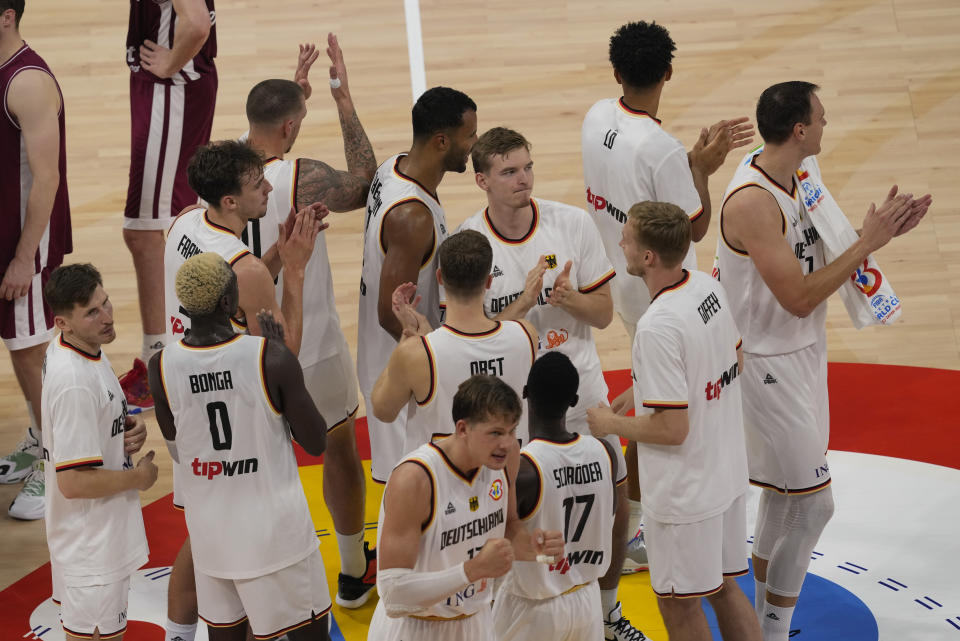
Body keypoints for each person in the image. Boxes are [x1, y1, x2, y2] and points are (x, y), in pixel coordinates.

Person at [715, 81, 930, 641]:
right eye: (821, 116)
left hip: (803, 352)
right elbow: (800, 295)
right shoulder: (753, 201)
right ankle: (773, 630)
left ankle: (760, 625)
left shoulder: (798, 178)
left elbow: (819, 260)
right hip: (765, 364)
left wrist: (874, 234)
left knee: (785, 499)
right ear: (799, 130)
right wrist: (866, 245)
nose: (828, 122)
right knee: (815, 507)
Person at [581, 20, 754, 562]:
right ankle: (644, 523)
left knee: (662, 390)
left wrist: (689, 164)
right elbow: (692, 228)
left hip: (624, 273)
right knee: (683, 403)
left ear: (616, 72)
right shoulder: (660, 149)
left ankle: (634, 517)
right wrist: (701, 169)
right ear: (669, 72)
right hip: (664, 289)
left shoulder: (594, 117)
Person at [458, 126, 640, 640]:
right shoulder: (469, 243)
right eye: (509, 171)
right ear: (482, 181)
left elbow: (603, 314)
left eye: (527, 166)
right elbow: (471, 333)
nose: (523, 179)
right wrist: (527, 299)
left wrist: (566, 300)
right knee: (504, 512)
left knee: (613, 499)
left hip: (580, 391)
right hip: (509, 406)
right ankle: (495, 612)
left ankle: (608, 612)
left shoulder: (572, 223)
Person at [161, 139, 321, 641]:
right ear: (230, 202)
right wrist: (293, 268)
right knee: (283, 606)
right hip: (248, 438)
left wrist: (273, 253)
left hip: (187, 402)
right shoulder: (246, 271)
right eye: (257, 186)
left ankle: (177, 633)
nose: (268, 189)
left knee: (206, 539)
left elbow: (238, 283)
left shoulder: (184, 223)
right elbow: (282, 352)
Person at [243, 35, 378, 608]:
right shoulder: (301, 177)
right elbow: (364, 177)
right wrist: (340, 96)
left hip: (240, 342)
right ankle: (352, 570)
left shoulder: (223, 171)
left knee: (256, 459)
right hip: (310, 339)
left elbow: (268, 135)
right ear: (293, 129)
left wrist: (293, 96)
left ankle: (253, 570)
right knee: (341, 449)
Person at [588, 201, 761, 641]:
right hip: (725, 474)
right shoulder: (706, 287)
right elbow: (733, 358)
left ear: (648, 257)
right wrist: (646, 391)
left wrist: (610, 423)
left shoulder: (656, 326)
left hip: (687, 493)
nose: (621, 242)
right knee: (722, 588)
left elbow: (671, 429)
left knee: (678, 604)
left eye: (627, 238)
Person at [368, 374, 564, 641]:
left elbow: (508, 528)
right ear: (462, 429)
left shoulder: (506, 460)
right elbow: (393, 594)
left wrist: (538, 551)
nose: (506, 443)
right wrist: (473, 570)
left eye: (512, 431)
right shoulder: (415, 479)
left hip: (475, 622)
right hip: (414, 626)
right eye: (495, 432)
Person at [357, 86, 477, 484]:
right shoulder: (412, 217)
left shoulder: (395, 165)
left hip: (393, 361)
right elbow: (391, 314)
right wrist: (439, 358)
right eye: (469, 136)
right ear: (442, 141)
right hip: (402, 373)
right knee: (409, 493)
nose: (474, 144)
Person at [42, 263, 156, 640]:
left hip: (96, 538)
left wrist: (125, 426)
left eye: (105, 303)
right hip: (91, 547)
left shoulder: (85, 345)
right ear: (63, 323)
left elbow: (92, 416)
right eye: (92, 312)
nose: (107, 317)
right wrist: (137, 478)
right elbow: (72, 481)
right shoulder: (74, 382)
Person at [119, 0, 218, 411]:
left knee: (147, 232)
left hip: (170, 92)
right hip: (165, 91)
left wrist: (169, 63)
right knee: (171, 225)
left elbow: (196, 24)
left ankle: (164, 363)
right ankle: (185, 351)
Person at [0, 0, 73, 520]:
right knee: (17, 347)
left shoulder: (26, 81)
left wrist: (25, 259)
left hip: (24, 246)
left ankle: (59, 461)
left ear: (7, 16)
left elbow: (47, 178)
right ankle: (36, 435)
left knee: (30, 352)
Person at [371, 230, 538, 452]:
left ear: (440, 278)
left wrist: (408, 338)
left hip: (443, 482)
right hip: (506, 478)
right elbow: (481, 343)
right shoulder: (526, 335)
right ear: (489, 281)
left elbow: (382, 410)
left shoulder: (417, 354)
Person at [494, 352, 618, 641]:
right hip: (587, 602)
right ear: (574, 401)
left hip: (533, 609)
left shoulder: (523, 470)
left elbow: (495, 538)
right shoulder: (606, 453)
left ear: (525, 394)